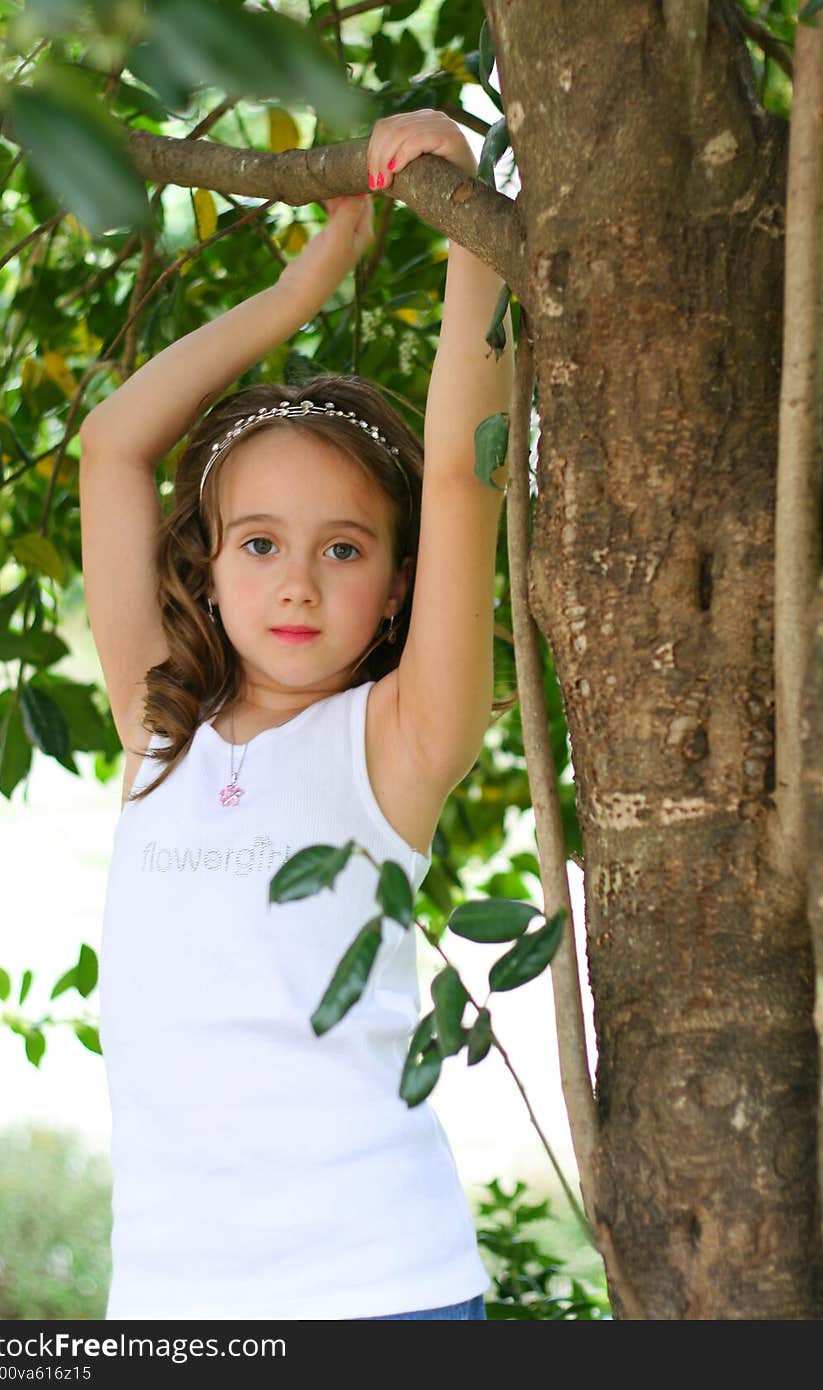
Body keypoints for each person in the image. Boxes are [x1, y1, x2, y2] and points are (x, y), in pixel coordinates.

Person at [78, 109, 514, 1321]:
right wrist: (312, 271)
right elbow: (113, 451)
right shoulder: (158, 730)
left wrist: (465, 212)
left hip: (382, 1290)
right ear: (208, 565)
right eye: (259, 542)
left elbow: (457, 468)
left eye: (343, 547)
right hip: (171, 1303)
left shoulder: (398, 739)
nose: (298, 580)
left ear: (396, 590)